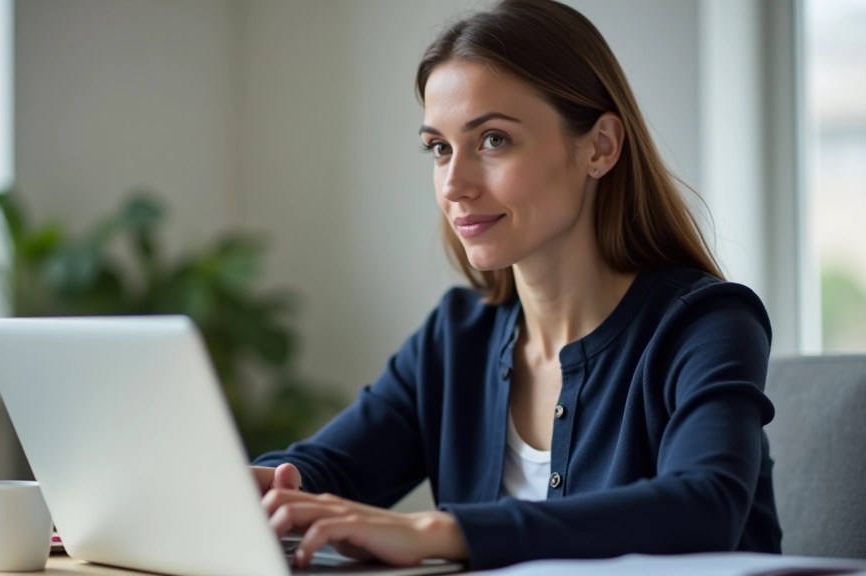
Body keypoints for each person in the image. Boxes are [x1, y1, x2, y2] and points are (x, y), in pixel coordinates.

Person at [251, 0, 782, 570]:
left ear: (600, 147)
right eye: (439, 148)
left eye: (493, 141)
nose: (454, 184)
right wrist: (257, 488)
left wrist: (445, 530)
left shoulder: (705, 324)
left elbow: (703, 506)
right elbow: (330, 468)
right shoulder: (457, 336)